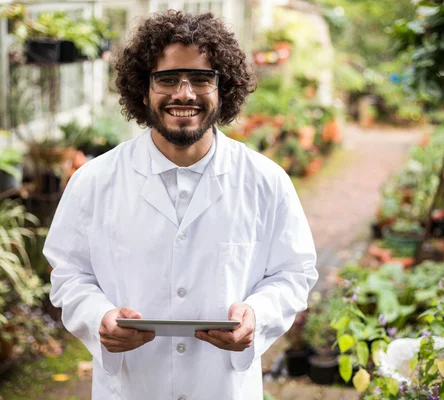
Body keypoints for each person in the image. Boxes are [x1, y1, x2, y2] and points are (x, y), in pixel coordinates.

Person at [43, 10, 318, 400]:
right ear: (143, 89)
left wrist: (258, 315)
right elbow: (69, 272)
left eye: (201, 78)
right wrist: (97, 316)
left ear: (224, 89)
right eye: (167, 79)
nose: (184, 93)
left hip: (224, 387)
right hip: (132, 387)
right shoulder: (94, 181)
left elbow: (293, 273)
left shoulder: (266, 182)